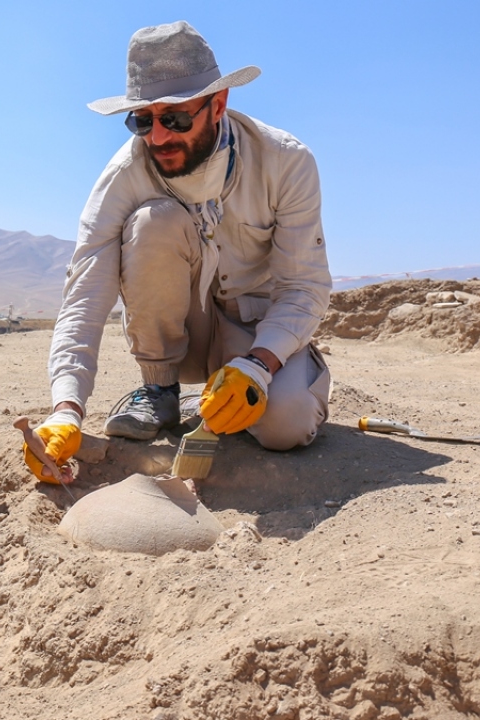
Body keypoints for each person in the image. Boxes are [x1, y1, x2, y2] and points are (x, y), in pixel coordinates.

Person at [27, 21, 332, 482]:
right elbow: (84, 296)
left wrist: (259, 365)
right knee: (155, 221)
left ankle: (280, 378)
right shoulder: (124, 175)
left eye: (175, 119)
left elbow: (303, 286)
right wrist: (66, 409)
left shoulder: (286, 162)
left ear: (219, 105)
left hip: (257, 333)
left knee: (286, 425)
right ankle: (160, 392)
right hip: (181, 336)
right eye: (142, 121)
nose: (158, 138)